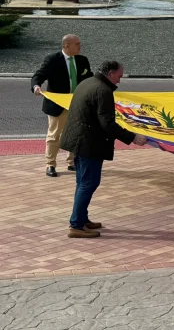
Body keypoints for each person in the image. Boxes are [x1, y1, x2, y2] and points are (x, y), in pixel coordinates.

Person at [59, 61, 147, 238]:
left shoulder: (88, 82)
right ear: (110, 73)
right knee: (88, 183)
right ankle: (76, 225)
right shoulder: (103, 91)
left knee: (83, 182)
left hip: (79, 140)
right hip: (89, 143)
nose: (119, 81)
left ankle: (81, 219)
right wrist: (132, 137)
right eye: (119, 76)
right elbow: (107, 123)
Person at [30, 34, 93, 177]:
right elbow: (39, 75)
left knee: (75, 134)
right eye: (76, 44)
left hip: (77, 104)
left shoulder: (82, 60)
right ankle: (50, 164)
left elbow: (89, 77)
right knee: (54, 136)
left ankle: (72, 162)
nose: (79, 46)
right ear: (66, 46)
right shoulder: (53, 59)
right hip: (57, 105)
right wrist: (36, 86)